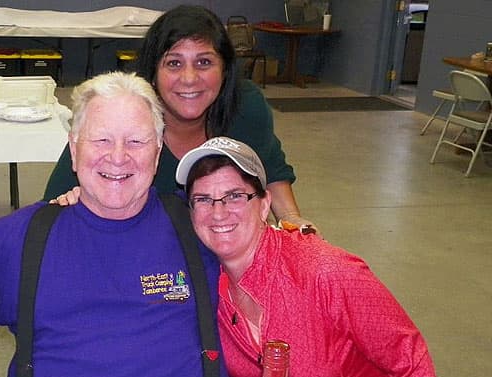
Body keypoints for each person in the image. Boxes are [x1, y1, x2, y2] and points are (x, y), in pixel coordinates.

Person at [0, 71, 230, 377]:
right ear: (74, 150)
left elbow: (280, 274)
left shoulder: (202, 228)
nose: (118, 157)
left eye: (136, 142)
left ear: (158, 151)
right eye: (101, 140)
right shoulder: (21, 239)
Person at [176, 136, 436, 377]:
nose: (218, 213)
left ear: (265, 204)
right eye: (203, 199)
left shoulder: (327, 271)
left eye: (234, 196)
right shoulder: (201, 282)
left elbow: (412, 364)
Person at [43, 4, 317, 233]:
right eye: (174, 63)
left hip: (223, 250)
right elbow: (52, 209)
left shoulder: (245, 108)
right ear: (152, 72)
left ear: (225, 70)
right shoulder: (123, 113)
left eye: (204, 63)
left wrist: (292, 220)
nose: (189, 79)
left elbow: (272, 171)